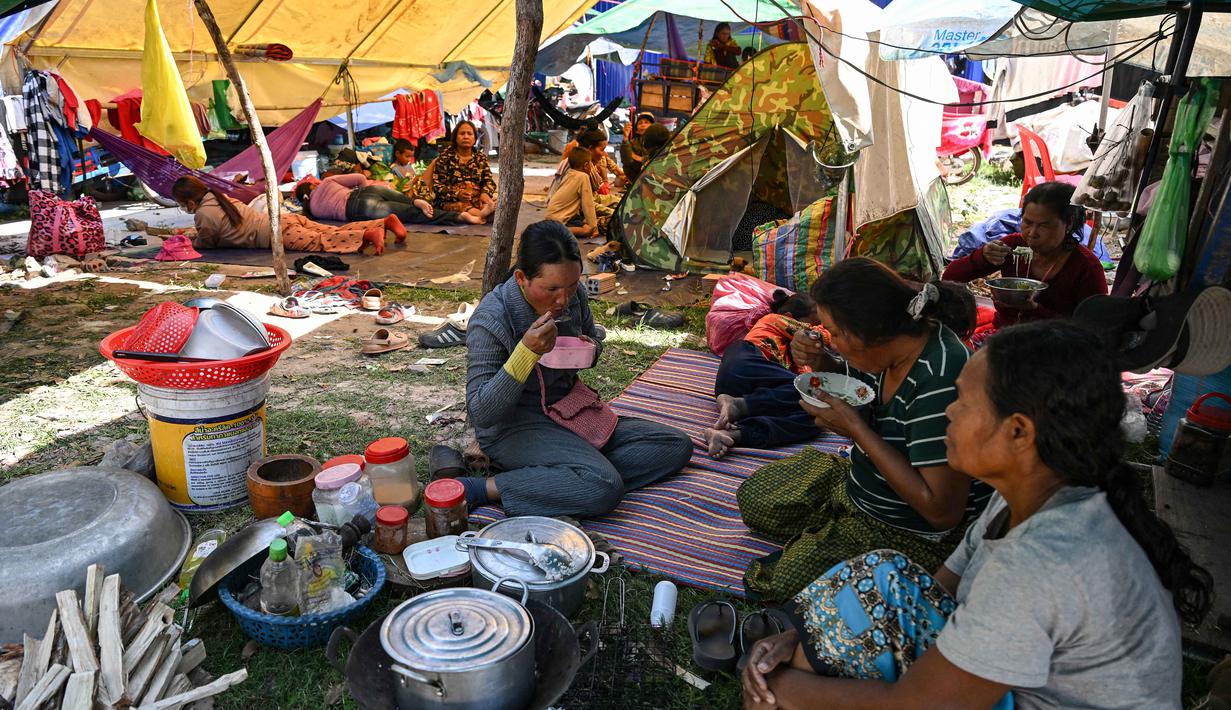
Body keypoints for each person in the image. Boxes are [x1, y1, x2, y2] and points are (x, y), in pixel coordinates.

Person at [740, 321, 1212, 710]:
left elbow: (916, 705)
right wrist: (803, 637)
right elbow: (931, 591)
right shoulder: (1023, 500)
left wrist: (782, 690)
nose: (949, 411)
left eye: (963, 402)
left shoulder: (1041, 563)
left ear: (1019, 432)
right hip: (1017, 686)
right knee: (883, 573)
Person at [737, 258, 991, 601]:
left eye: (836, 333)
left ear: (868, 331)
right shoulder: (891, 347)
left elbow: (941, 513)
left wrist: (857, 431)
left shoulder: (941, 377)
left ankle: (841, 544)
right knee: (756, 498)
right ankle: (833, 533)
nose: (832, 338)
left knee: (776, 583)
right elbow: (861, 393)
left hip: (911, 530)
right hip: (861, 483)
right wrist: (822, 361)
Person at [462, 221, 694, 517]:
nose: (563, 299)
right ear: (521, 278)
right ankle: (483, 488)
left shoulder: (572, 297)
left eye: (572, 286)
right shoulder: (492, 319)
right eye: (552, 289)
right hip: (514, 426)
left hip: (570, 410)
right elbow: (482, 413)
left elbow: (592, 337)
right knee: (604, 486)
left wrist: (591, 347)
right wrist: (526, 353)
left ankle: (569, 477)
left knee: (675, 445)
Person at [943, 181, 1107, 345]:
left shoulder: (1086, 267)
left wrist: (1037, 310)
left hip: (1058, 347)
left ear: (1069, 223)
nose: (1032, 233)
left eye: (1044, 226)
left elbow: (1093, 329)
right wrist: (982, 257)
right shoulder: (1013, 246)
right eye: (1027, 223)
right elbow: (950, 277)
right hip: (1005, 336)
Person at [705, 290, 830, 458]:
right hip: (744, 363)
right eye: (814, 323)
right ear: (789, 317)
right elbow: (816, 337)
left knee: (814, 417)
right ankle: (739, 405)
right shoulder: (772, 319)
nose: (817, 326)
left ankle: (733, 434)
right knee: (813, 392)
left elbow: (803, 378)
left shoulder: (789, 360)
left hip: (750, 393)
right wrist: (829, 327)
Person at [172, 176, 395, 255]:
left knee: (322, 241)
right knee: (328, 230)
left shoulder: (203, 214)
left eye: (184, 205)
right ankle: (382, 222)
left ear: (190, 202)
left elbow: (207, 243)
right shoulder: (219, 197)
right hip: (284, 220)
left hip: (278, 235)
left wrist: (193, 241)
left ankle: (367, 236)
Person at [295, 172, 483, 228]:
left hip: (360, 209)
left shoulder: (314, 212)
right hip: (366, 192)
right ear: (312, 186)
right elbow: (360, 178)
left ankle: (460, 217)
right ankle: (414, 199)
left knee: (413, 215)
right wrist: (359, 191)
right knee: (404, 200)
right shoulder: (327, 182)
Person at [413, 120, 497, 223]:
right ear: (455, 138)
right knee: (462, 206)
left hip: (477, 199)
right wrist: (457, 194)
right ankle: (482, 215)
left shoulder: (481, 158)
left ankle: (485, 213)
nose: (466, 136)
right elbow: (438, 186)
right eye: (462, 133)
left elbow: (489, 181)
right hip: (452, 201)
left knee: (492, 205)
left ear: (474, 138)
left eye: (469, 134)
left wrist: (485, 193)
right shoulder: (445, 157)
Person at [546, 147, 599, 239]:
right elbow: (588, 204)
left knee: (584, 224)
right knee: (587, 230)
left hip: (554, 215)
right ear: (586, 165)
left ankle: (555, 228)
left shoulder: (568, 173)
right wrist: (594, 227)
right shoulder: (583, 177)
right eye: (591, 164)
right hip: (561, 218)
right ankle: (557, 231)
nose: (592, 166)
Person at [619, 111, 656, 184]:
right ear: (637, 130)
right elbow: (627, 161)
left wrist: (642, 159)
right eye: (640, 123)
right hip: (637, 179)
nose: (643, 125)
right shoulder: (633, 143)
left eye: (646, 122)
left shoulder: (657, 140)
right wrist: (625, 138)